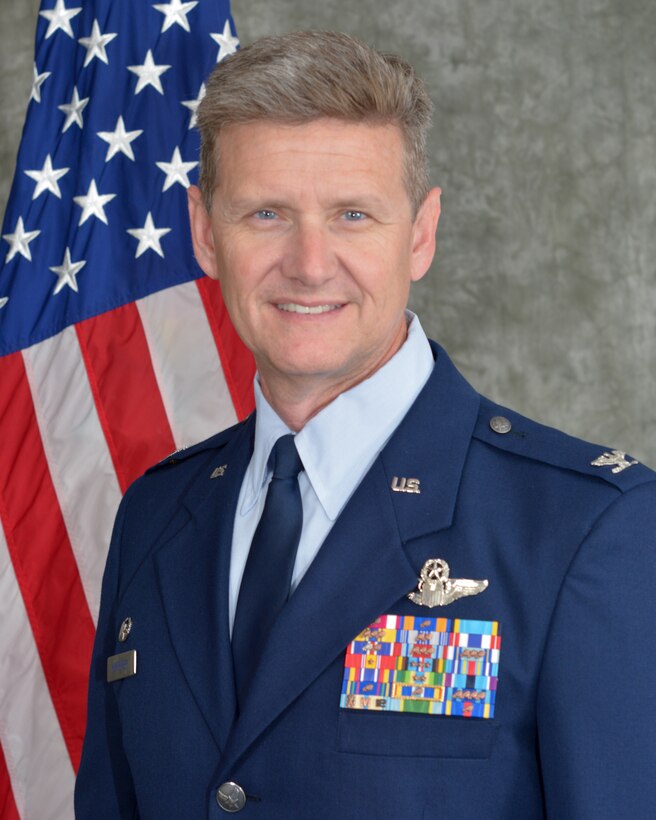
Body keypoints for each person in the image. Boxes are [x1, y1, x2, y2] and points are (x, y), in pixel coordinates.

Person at [75, 31, 656, 819]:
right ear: (206, 233)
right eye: (266, 213)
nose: (310, 263)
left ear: (420, 233)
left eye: (353, 214)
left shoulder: (587, 529)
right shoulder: (155, 518)